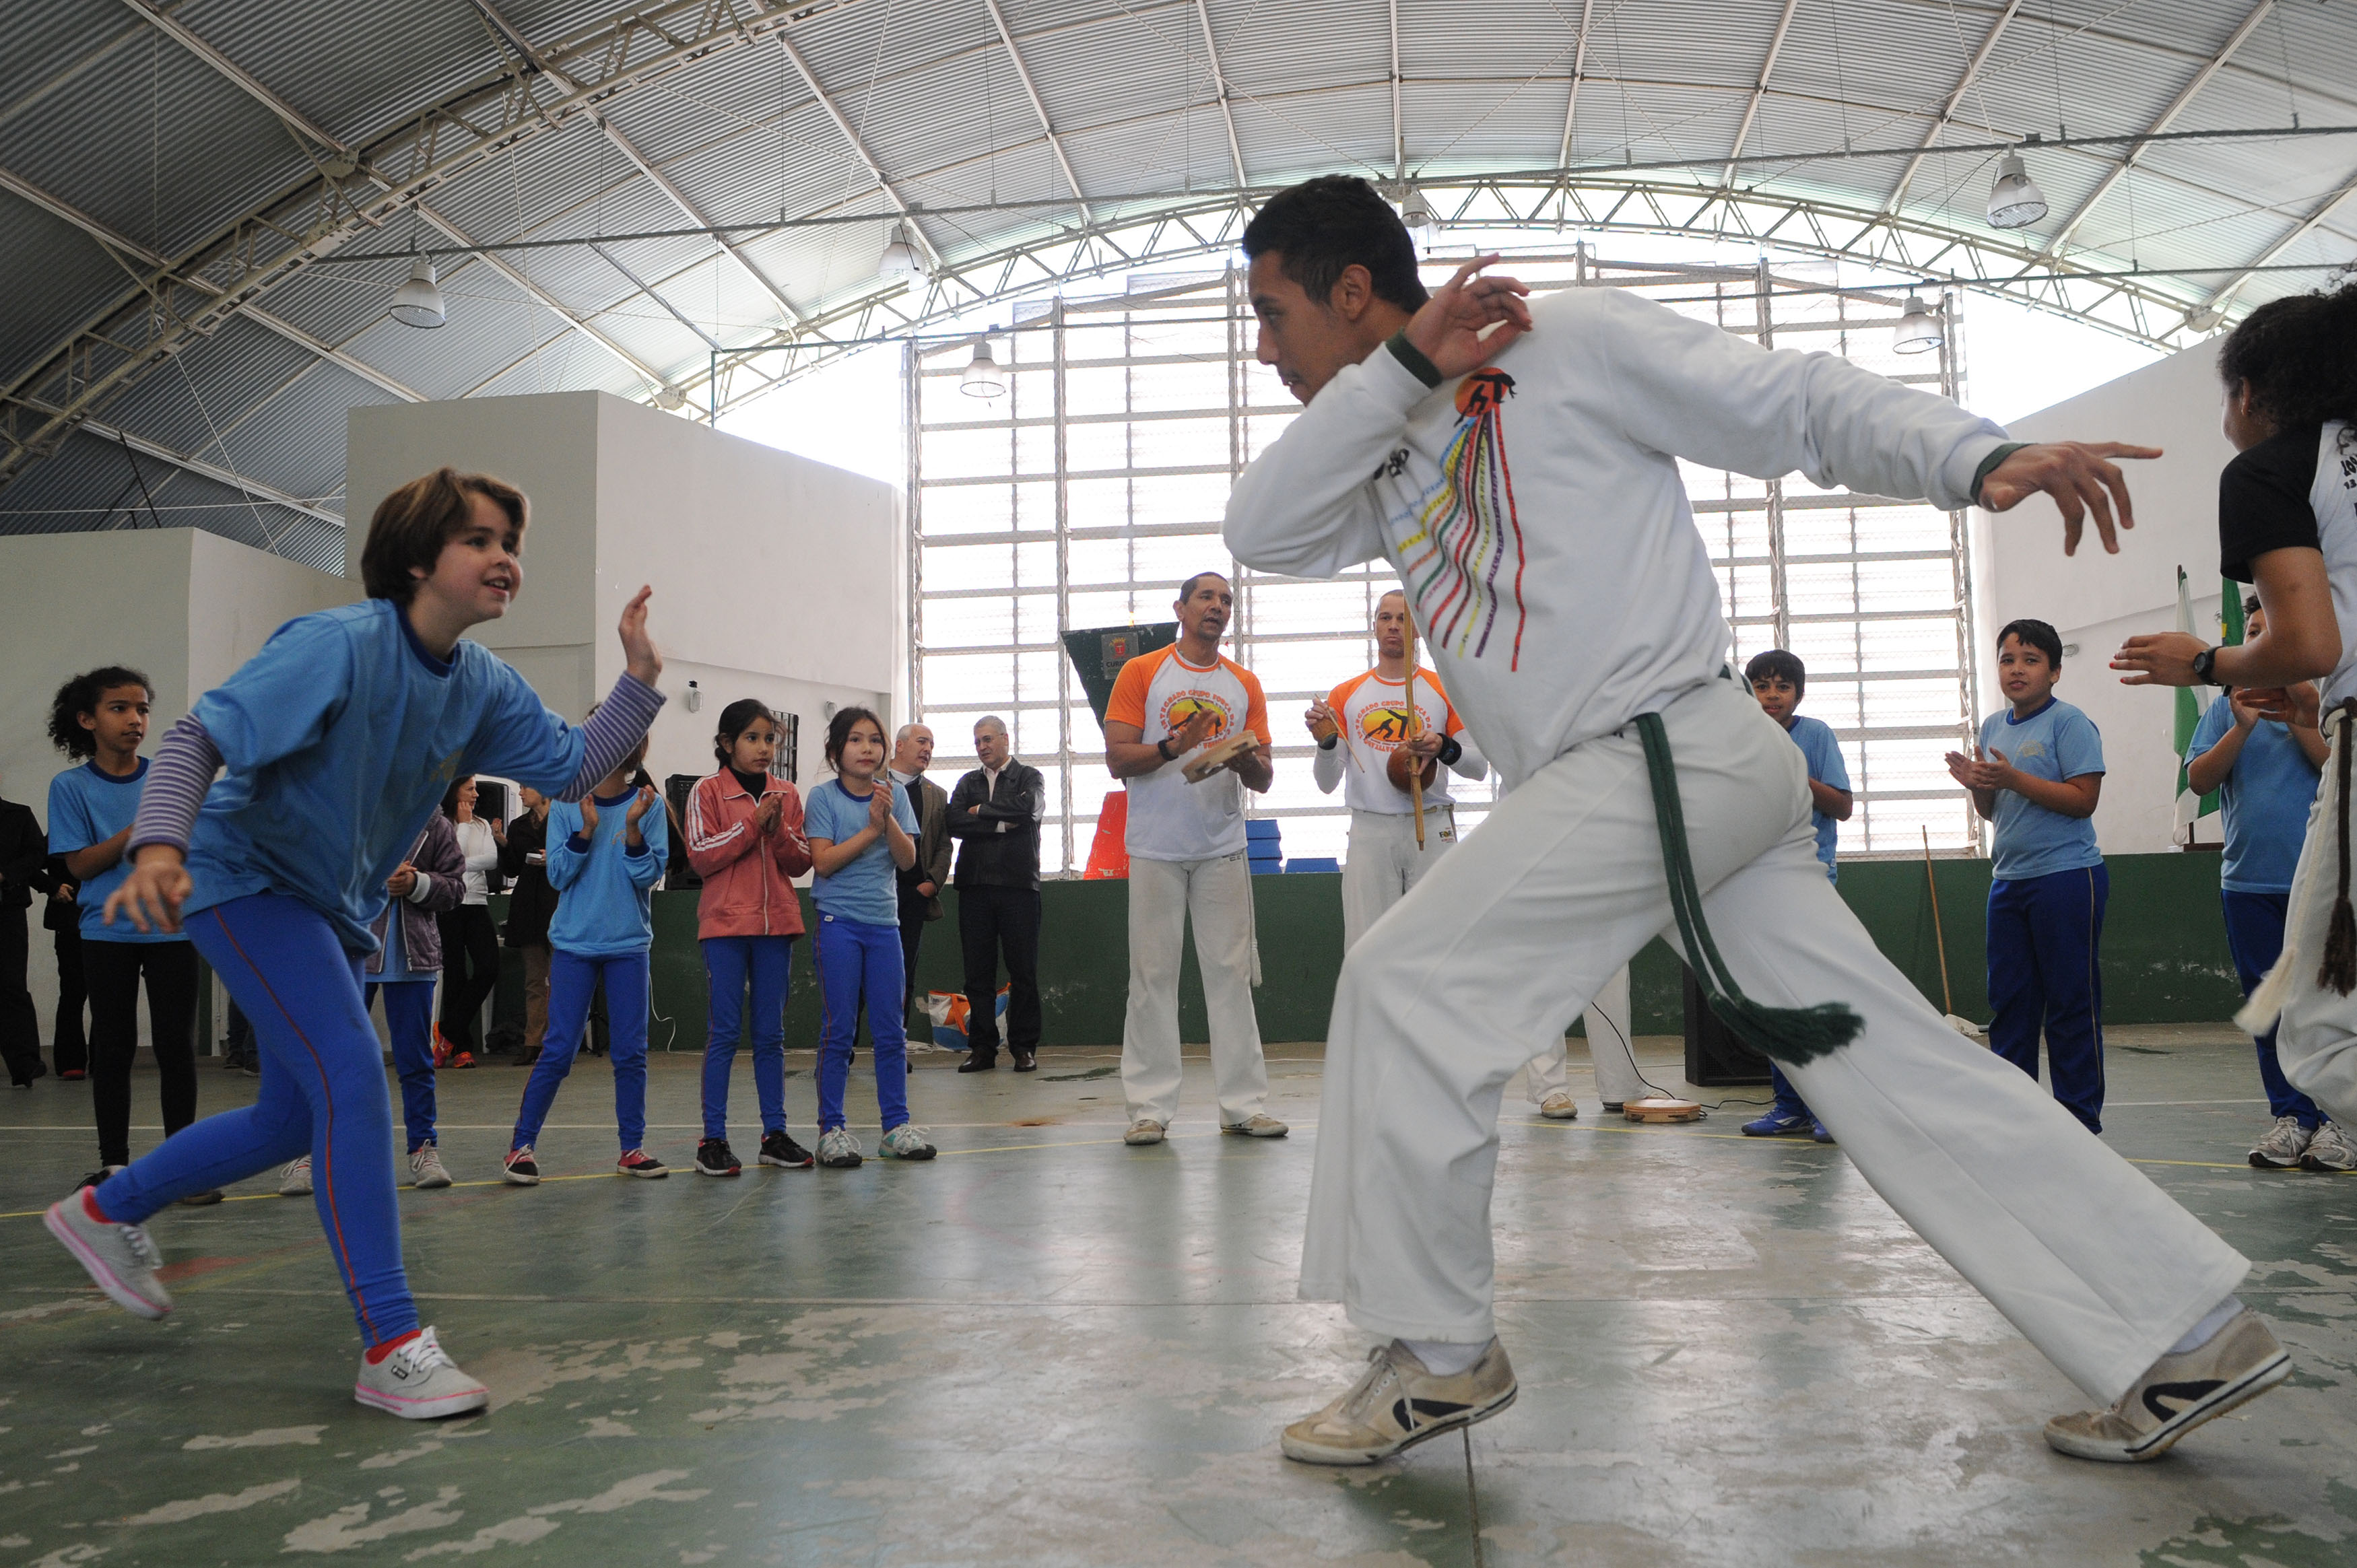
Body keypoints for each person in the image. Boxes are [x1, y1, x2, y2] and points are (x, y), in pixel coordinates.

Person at [1225, 174, 2274, 1469]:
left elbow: (1789, 402)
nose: (1260, 346)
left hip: (1661, 751)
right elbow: (1260, 530)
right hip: (1663, 787)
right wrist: (1394, 373)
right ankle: (2184, 1330)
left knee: (1404, 981)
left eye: (1270, 312)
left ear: (1347, 287)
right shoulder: (1375, 445)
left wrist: (1973, 455)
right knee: (1886, 1061)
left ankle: (1435, 1354)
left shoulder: (1570, 341)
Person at [44, 465, 666, 1419]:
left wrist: (640, 680)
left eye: (514, 544)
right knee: (352, 1071)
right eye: (483, 540)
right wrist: (162, 846)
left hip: (331, 903)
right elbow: (193, 741)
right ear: (418, 559)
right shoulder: (337, 644)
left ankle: (103, 1209)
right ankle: (391, 1341)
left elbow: (577, 765)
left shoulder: (483, 684)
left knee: (295, 1116)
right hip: (243, 875)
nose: (507, 559)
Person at [2114, 278, 2357, 1172]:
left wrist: (2207, 661)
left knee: (2323, 1027)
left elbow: (2308, 640)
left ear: (2251, 394)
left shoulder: (2268, 471)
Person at [1104, 573, 1287, 1145]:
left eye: (1226, 599)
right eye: (1206, 597)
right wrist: (1173, 747)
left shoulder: (1243, 684)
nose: (1217, 606)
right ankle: (1149, 1109)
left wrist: (1241, 761)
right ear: (1180, 608)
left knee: (1231, 976)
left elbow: (1266, 775)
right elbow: (1116, 757)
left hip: (1222, 848)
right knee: (1152, 978)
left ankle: (1243, 1106)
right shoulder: (1142, 672)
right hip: (1156, 848)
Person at [2182, 596, 2337, 1169]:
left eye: (2276, 630)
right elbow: (2198, 781)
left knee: (2325, 1004)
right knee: (2269, 1007)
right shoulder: (2227, 709)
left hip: (2321, 886)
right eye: (2252, 632)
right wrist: (2242, 728)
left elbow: (2337, 765)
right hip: (2247, 884)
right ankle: (2292, 1118)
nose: (2263, 640)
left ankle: (2339, 1121)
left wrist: (2299, 717)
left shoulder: (2326, 703)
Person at [45, 668, 206, 1197]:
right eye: (119, 708)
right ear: (87, 719)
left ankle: (182, 1167)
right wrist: (139, 829)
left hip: (174, 933)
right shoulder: (70, 787)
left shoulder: (169, 778)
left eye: (141, 708)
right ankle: (114, 1163)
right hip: (105, 933)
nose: (135, 719)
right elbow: (81, 866)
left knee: (175, 1047)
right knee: (111, 1047)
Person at [1947, 620, 2109, 1134]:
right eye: (2007, 659)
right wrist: (1978, 785)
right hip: (2009, 880)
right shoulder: (1992, 727)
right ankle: (2014, 1116)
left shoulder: (2071, 723)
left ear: (2056, 671)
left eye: (2031, 659)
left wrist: (2013, 776)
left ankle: (2078, 1119)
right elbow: (1996, 812)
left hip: (2066, 877)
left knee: (2069, 1000)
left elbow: (2084, 802)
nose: (2016, 668)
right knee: (2012, 1002)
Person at [504, 726, 669, 1184]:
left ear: (633, 748)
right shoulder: (564, 803)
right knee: (558, 1049)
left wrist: (632, 827)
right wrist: (587, 829)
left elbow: (648, 876)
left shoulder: (648, 804)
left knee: (632, 1052)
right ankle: (521, 1146)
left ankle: (631, 1149)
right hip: (575, 945)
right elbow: (556, 873)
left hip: (628, 945)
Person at [288, 812, 467, 1197]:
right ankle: (309, 1152)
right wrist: (374, 880)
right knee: (334, 1058)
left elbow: (455, 889)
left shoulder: (436, 825)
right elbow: (322, 878)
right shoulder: (352, 811)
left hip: (414, 960)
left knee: (415, 1061)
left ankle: (423, 1148)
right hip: (353, 954)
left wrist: (416, 882)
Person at [1308, 588, 1488, 951]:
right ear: (1374, 626)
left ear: (1418, 628)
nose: (1394, 626)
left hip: (1432, 824)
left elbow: (1479, 767)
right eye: (1385, 618)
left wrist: (1444, 746)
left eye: (1404, 619)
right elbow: (1326, 783)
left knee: (1438, 947)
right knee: (1366, 949)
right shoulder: (1346, 694)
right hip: (1370, 831)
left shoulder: (1445, 689)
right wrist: (1326, 743)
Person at [686, 698, 815, 1177]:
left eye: (770, 739)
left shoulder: (787, 795)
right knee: (723, 1032)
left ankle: (774, 1134)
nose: (764, 748)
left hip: (776, 926)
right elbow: (701, 855)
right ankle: (713, 1139)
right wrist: (751, 825)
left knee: (771, 1035)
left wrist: (777, 829)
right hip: (724, 927)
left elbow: (800, 860)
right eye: (753, 738)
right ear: (726, 743)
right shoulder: (706, 792)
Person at [804, 707, 936, 1168]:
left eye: (874, 740)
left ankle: (895, 1126)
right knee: (839, 1029)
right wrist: (871, 828)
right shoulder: (822, 798)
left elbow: (906, 860)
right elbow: (823, 862)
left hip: (885, 927)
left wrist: (889, 820)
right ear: (836, 750)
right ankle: (831, 1129)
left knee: (890, 1030)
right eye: (856, 740)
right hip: (838, 923)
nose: (867, 748)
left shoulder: (895, 794)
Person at [1742, 649, 1853, 1143]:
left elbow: (1842, 806)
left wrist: (1795, 775)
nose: (1771, 696)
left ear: (1798, 694)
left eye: (1781, 686)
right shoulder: (1738, 740)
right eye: (1762, 686)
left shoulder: (1816, 735)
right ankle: (1789, 1106)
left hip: (1809, 879)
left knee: (1812, 998)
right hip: (1756, 885)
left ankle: (1831, 1107)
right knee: (1775, 1001)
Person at [946, 715, 1046, 1072]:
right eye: (977, 742)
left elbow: (1029, 809)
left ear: (1005, 739)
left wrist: (983, 813)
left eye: (987, 739)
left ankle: (1023, 1048)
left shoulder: (1029, 776)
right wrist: (1003, 824)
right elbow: (954, 821)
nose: (982, 747)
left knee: (1023, 972)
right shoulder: (967, 781)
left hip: (1019, 887)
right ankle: (983, 1049)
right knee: (978, 974)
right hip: (974, 887)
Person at [433, 776, 501, 1068]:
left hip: (477, 902)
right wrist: (461, 826)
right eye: (470, 789)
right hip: (449, 904)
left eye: (475, 790)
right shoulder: (443, 825)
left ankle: (445, 1031)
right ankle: (462, 1049)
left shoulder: (483, 825)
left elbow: (492, 860)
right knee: (455, 974)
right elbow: (449, 859)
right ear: (455, 791)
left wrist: (461, 866)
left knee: (488, 967)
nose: (476, 794)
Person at [889, 724, 952, 1024]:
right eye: (922, 741)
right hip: (874, 895)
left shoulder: (936, 795)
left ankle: (893, 1047)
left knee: (903, 975)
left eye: (932, 744)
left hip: (914, 897)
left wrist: (932, 883)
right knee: (859, 976)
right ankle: (844, 1049)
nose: (928, 749)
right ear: (899, 746)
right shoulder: (868, 783)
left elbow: (943, 845)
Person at [497, 785, 558, 1066]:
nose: (520, 793)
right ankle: (532, 1041)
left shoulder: (565, 818)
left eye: (525, 787)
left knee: (563, 978)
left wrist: (555, 859)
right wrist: (503, 844)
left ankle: (559, 1041)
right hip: (529, 906)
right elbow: (511, 869)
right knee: (535, 979)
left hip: (558, 903)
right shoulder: (518, 825)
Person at [0, 786, 46, 1088]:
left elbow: (38, 854)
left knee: (11, 985)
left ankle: (25, 1064)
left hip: (7, 910)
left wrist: (6, 874)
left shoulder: (17, 814)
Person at [36, 857, 87, 1080]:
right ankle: (73, 1060)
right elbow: (31, 858)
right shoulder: (62, 830)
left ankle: (77, 1060)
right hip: (72, 916)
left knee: (104, 992)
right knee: (73, 991)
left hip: (87, 913)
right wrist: (51, 886)